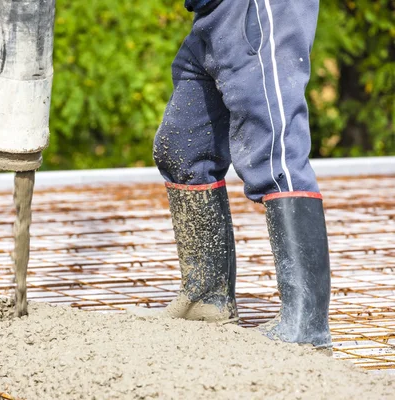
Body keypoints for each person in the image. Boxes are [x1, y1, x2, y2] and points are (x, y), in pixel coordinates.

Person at [129, 0, 332, 352]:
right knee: (181, 146)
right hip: (212, 14)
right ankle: (206, 298)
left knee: (274, 153)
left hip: (256, 8)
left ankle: (306, 326)